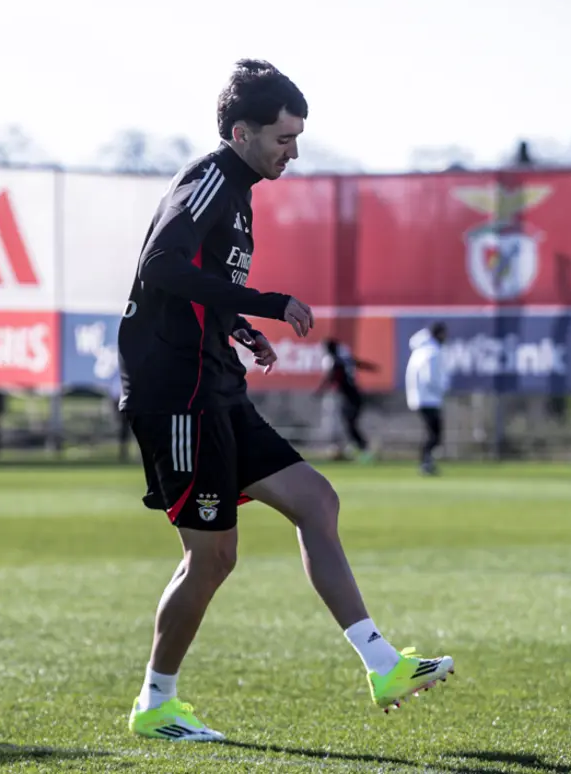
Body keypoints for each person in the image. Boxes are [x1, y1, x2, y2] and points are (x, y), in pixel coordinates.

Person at [116, 58, 455, 742]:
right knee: (211, 557)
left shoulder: (238, 192)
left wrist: (238, 328)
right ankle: (156, 704)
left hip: (216, 382)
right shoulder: (210, 179)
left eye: (297, 138)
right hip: (177, 395)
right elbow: (159, 268)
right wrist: (266, 303)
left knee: (316, 500)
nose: (293, 151)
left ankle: (382, 665)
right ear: (241, 133)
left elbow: (195, 282)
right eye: (283, 138)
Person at [314, 338, 379, 460]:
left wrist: (319, 390)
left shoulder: (337, 362)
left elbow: (331, 377)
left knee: (350, 423)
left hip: (352, 397)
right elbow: (358, 363)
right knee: (348, 423)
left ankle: (364, 448)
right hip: (349, 396)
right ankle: (359, 447)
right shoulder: (342, 359)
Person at [405, 322, 450, 475]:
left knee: (432, 433)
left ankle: (427, 462)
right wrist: (442, 389)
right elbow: (430, 377)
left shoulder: (420, 351)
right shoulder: (431, 352)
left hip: (420, 398)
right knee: (434, 434)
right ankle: (425, 462)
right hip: (429, 399)